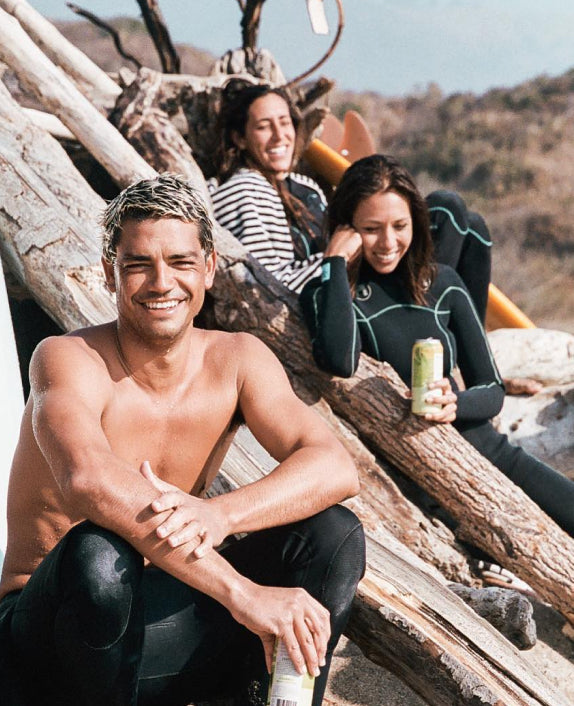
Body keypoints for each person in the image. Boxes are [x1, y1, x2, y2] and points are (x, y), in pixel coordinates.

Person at [0, 174, 365, 706]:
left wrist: (222, 516)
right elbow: (88, 481)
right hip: (53, 647)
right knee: (100, 555)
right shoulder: (67, 359)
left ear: (209, 268)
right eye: (139, 264)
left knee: (332, 533)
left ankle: (277, 698)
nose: (161, 282)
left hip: (165, 626)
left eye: (180, 262)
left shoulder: (237, 359)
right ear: (110, 274)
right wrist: (243, 593)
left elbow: (335, 467)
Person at [299, 154, 574, 538]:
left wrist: (455, 403)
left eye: (400, 225)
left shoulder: (442, 282)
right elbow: (339, 360)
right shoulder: (326, 293)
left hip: (487, 452)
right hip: (417, 478)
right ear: (347, 227)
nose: (388, 242)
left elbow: (491, 390)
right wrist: (333, 265)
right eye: (371, 228)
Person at [210, 83, 328, 293]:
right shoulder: (242, 191)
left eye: (285, 122)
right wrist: (342, 259)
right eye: (264, 126)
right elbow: (267, 288)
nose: (279, 135)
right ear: (240, 139)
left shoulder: (306, 187)